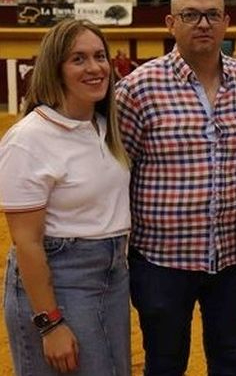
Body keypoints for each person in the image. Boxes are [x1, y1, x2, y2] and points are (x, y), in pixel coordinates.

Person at [115, 0, 236, 375]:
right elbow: (118, 172)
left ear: (226, 22)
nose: (203, 23)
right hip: (161, 261)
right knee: (165, 363)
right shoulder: (137, 88)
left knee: (231, 361)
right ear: (170, 23)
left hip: (235, 255)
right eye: (190, 15)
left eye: (212, 15)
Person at [0, 19, 131, 375]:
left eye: (99, 56)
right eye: (78, 59)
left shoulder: (105, 127)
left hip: (113, 274)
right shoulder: (28, 139)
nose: (95, 68)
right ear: (55, 69)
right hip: (59, 279)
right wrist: (50, 323)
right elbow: (26, 242)